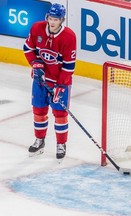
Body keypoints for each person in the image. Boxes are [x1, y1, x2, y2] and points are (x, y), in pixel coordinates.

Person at [23, 3, 77, 162]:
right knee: (39, 111)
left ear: (62, 20)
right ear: (47, 17)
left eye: (56, 19)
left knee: (60, 114)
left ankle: (61, 144)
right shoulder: (37, 28)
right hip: (40, 81)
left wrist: (61, 86)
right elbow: (28, 49)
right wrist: (35, 63)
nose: (52, 22)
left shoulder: (69, 36)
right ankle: (40, 141)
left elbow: (69, 66)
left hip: (60, 83)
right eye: (51, 18)